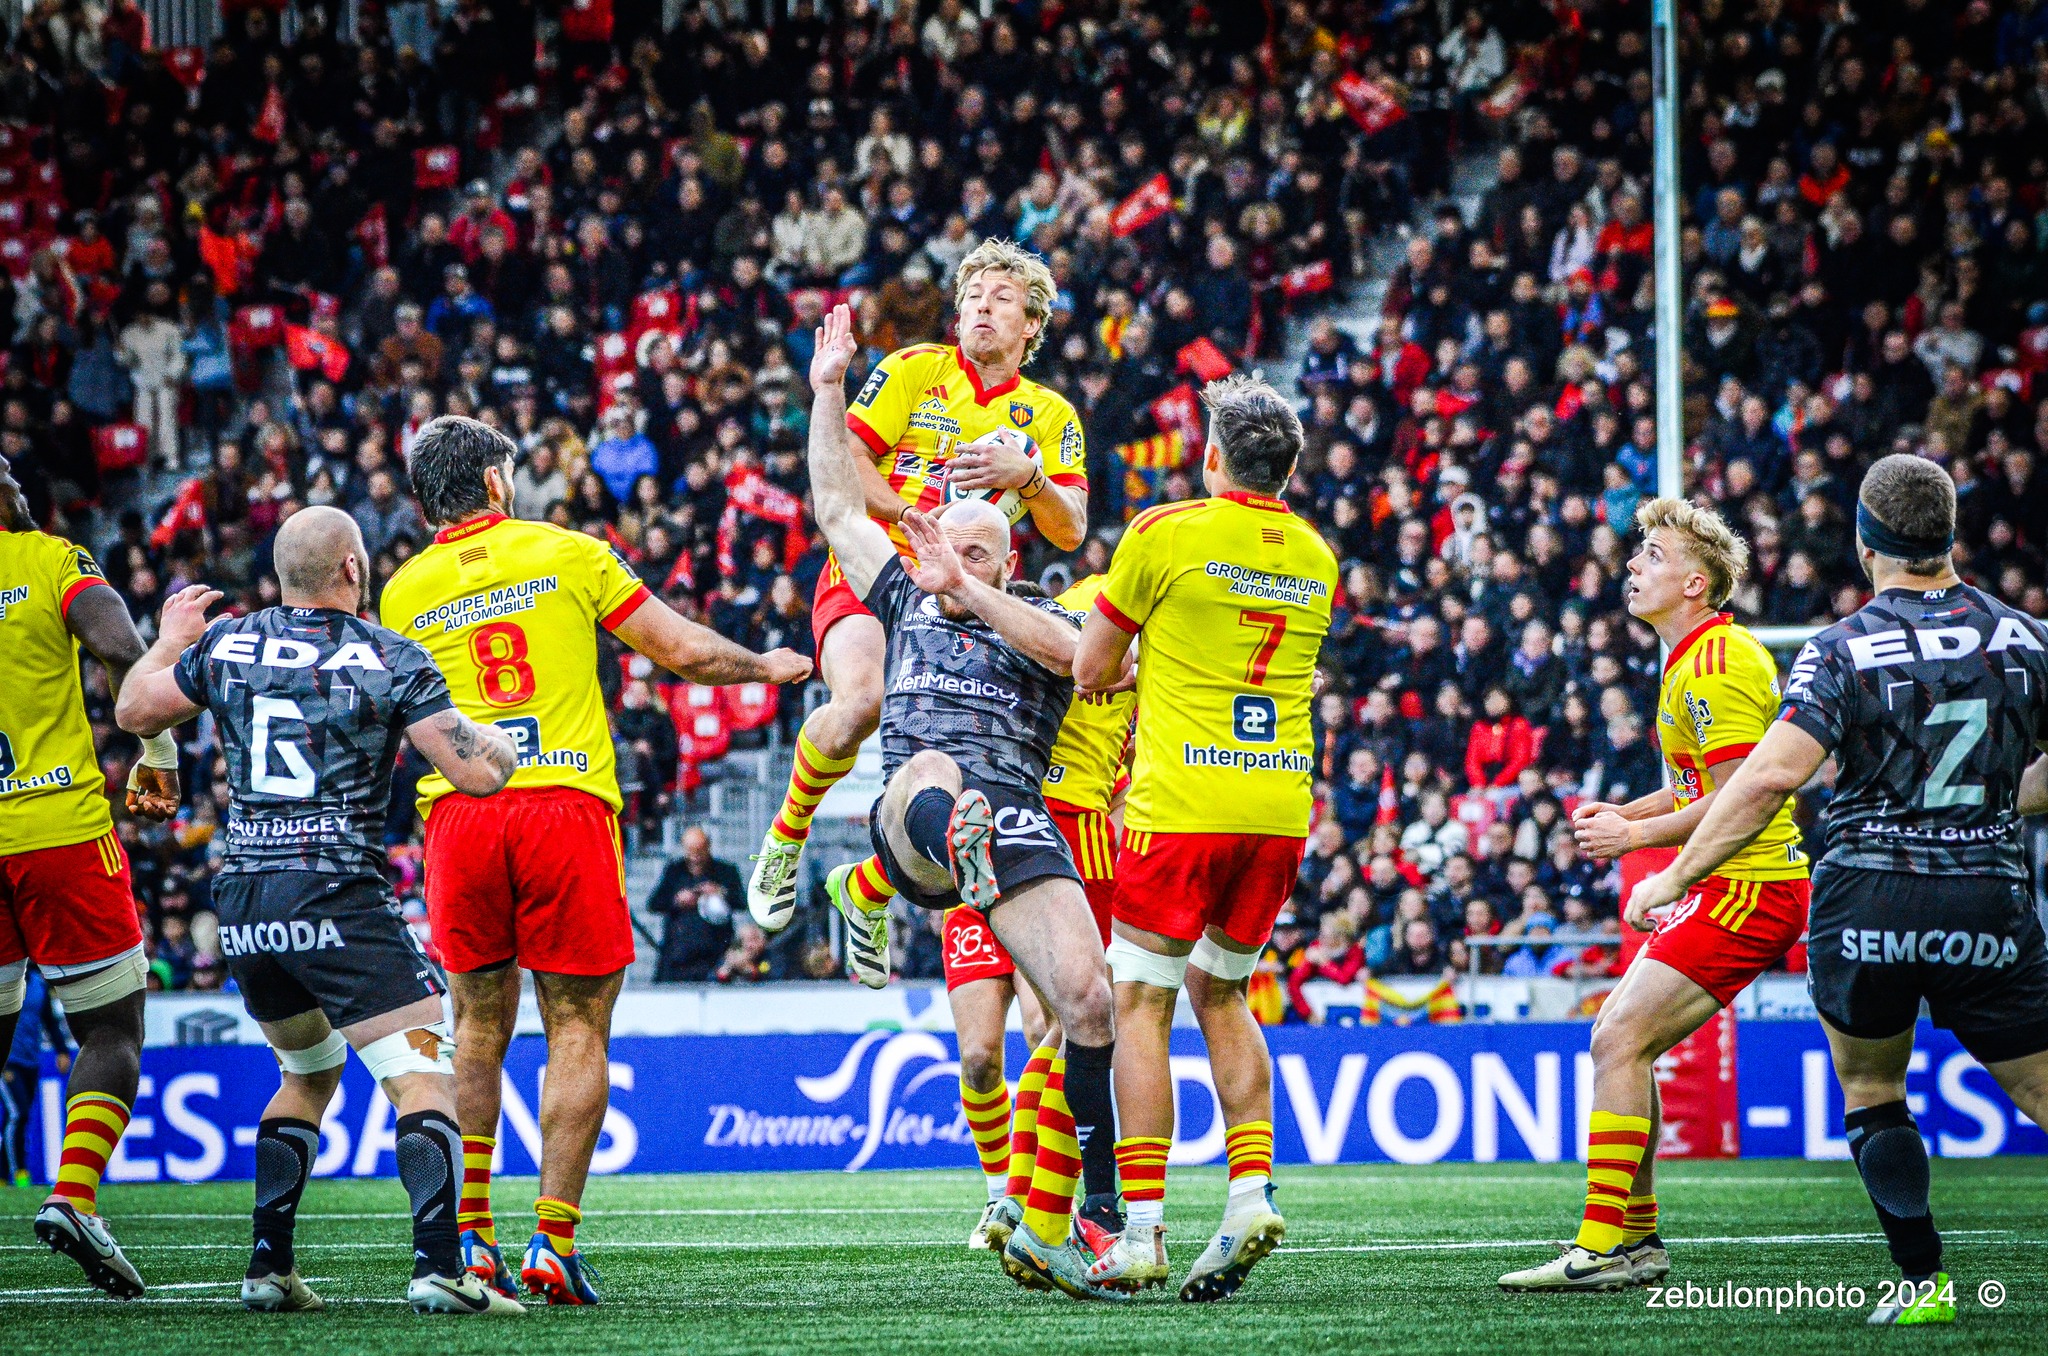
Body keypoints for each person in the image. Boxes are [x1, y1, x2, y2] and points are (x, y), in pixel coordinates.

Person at [379, 415, 811, 1305]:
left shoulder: (404, 592)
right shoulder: (569, 553)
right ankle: (552, 1244)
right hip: (562, 805)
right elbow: (682, 650)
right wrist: (766, 665)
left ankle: (469, 1240)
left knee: (476, 1028)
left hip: (460, 816)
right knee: (575, 1024)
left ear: (427, 501)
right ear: (500, 483)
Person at [1628, 456, 2048, 1327]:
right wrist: (1990, 791)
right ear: (1950, 534)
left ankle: (1923, 1281)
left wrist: (1672, 872)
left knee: (1870, 1088)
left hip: (1869, 904)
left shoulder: (1843, 646)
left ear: (1865, 544)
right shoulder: (2023, 638)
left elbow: (1765, 781)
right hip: (1988, 898)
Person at [112, 507, 525, 1315]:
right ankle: (441, 1268)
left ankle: (269, 1267)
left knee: (307, 1071)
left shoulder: (227, 644)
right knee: (422, 1074)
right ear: (352, 569)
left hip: (246, 900)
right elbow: (476, 775)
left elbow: (133, 711)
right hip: (337, 888)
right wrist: (503, 743)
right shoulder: (388, 655)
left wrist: (168, 637)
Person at [804, 301, 1122, 1302]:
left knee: (1087, 1001)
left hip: (1018, 822)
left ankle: (1098, 1223)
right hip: (921, 811)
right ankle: (890, 870)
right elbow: (834, 509)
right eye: (944, 540)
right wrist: (824, 389)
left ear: (1007, 563)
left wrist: (973, 588)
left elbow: (1084, 662)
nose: (949, 555)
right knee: (934, 779)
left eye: (976, 548)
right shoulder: (899, 596)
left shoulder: (1037, 613)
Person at [1499, 498, 1810, 1292]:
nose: (1634, 565)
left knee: (1617, 1038)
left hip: (1752, 884)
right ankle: (1632, 1242)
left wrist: (1640, 843)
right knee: (1622, 1039)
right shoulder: (1691, 657)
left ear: (1697, 582)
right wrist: (1629, 813)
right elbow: (1694, 785)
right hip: (1731, 882)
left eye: (1655, 555)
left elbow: (1748, 794)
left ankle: (1611, 1246)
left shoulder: (1719, 663)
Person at [1074, 373, 1337, 1301]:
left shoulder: (1162, 532)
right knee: (1223, 994)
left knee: (1142, 1004)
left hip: (1179, 807)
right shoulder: (1316, 556)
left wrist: (1148, 659)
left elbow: (1092, 667)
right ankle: (1249, 1190)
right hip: (1275, 810)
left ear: (1211, 457)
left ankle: (1141, 1229)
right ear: (1293, 469)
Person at [747, 239, 1090, 935]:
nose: (981, 309)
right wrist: (909, 517)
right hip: (884, 566)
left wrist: (1029, 480)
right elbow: (847, 461)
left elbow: (1072, 529)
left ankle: (870, 890)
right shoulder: (914, 369)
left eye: (1000, 299)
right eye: (971, 298)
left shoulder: (1050, 415)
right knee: (863, 701)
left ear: (1031, 325)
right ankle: (786, 836)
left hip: (973, 594)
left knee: (970, 771)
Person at [824, 572, 1135, 1259]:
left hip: (1061, 845)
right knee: (977, 1058)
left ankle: (1032, 1204)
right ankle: (1013, 1194)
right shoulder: (1069, 615)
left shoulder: (1120, 637)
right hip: (996, 821)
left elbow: (1131, 741)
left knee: (1054, 1022)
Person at [0, 452, 179, 1299]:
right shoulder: (48, 559)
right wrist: (158, 749)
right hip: (58, 832)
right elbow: (121, 645)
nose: (24, 486)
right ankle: (74, 1196)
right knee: (112, 1029)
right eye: (10, 476)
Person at [648, 826, 744, 982]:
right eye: (691, 851)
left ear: (708, 846)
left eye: (700, 850)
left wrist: (720, 892)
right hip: (678, 955)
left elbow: (741, 902)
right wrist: (677, 900)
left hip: (715, 951)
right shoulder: (674, 871)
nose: (696, 857)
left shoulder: (726, 871)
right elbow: (654, 904)